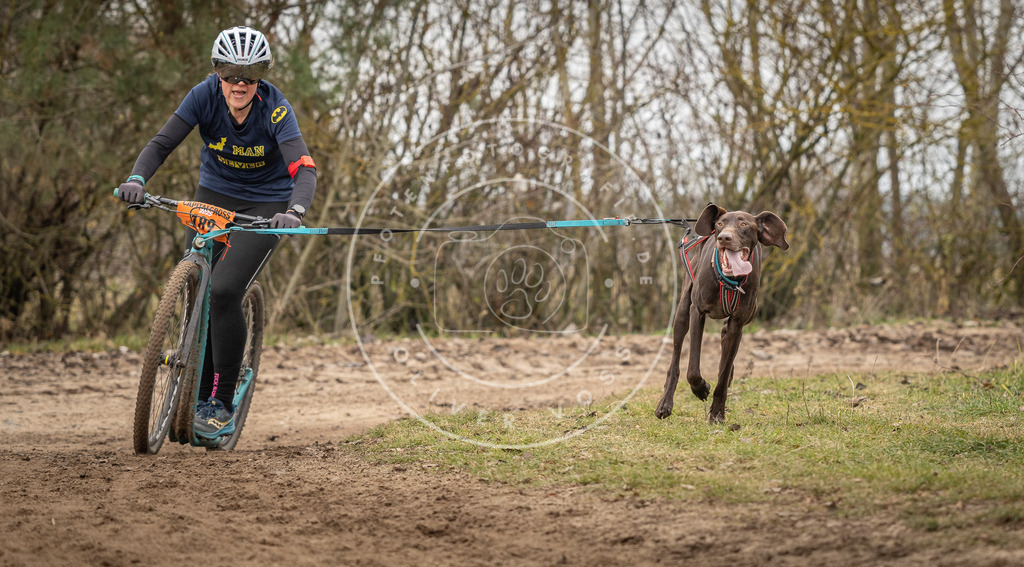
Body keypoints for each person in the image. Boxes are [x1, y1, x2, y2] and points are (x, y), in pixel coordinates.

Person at [118, 26, 317, 440]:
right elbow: (161, 144)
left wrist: (294, 210)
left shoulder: (276, 109)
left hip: (267, 205)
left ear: (261, 76)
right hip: (214, 195)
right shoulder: (203, 95)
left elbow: (304, 168)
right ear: (217, 72)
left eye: (250, 73)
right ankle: (195, 376)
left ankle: (221, 400)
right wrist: (137, 179)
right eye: (230, 73)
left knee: (225, 290)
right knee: (201, 283)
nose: (239, 83)